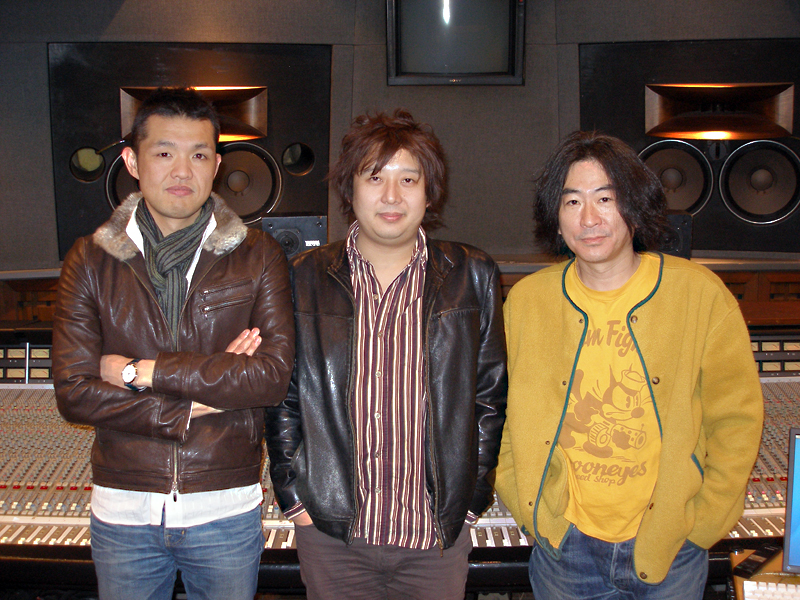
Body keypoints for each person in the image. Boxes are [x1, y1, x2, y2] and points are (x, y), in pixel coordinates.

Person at [495, 131, 764, 600]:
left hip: (671, 546)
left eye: (606, 199)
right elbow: (501, 416)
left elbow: (736, 419)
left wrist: (702, 522)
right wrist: (527, 505)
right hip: (565, 546)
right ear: (556, 219)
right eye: (572, 202)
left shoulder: (699, 294)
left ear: (635, 208)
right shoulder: (527, 302)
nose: (589, 219)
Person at [52, 87, 295, 600]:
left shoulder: (259, 254)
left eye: (199, 155)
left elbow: (271, 378)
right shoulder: (89, 259)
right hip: (123, 511)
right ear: (131, 162)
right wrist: (197, 403)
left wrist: (140, 372)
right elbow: (75, 392)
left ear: (218, 165)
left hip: (225, 507)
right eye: (164, 153)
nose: (182, 170)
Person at [265, 109, 507, 600]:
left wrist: (470, 501)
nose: (392, 196)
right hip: (332, 535)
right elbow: (283, 395)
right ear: (349, 189)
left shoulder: (472, 274)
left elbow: (489, 397)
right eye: (374, 178)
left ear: (429, 193)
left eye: (408, 180)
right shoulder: (302, 275)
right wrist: (295, 498)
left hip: (434, 538)